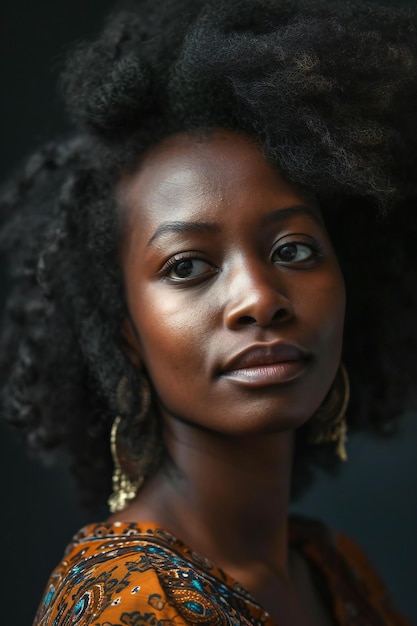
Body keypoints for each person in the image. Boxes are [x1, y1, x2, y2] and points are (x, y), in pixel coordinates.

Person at [0, 0, 416, 623]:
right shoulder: (129, 606)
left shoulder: (335, 568)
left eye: (294, 249)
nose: (260, 298)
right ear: (125, 332)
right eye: (187, 265)